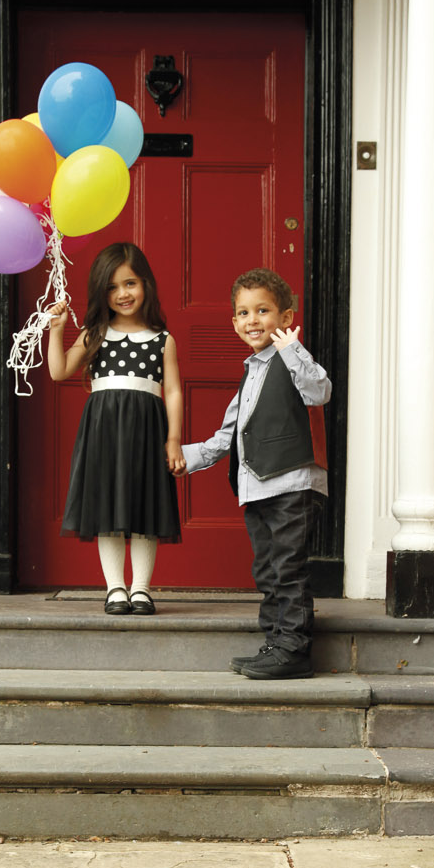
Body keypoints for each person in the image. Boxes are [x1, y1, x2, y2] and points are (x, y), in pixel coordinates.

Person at [176, 267, 330, 678]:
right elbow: (227, 435)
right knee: (267, 569)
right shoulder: (251, 372)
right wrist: (181, 458)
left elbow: (319, 391)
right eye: (244, 313)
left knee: (288, 568)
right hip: (258, 489)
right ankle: (275, 643)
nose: (253, 320)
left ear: (285, 316)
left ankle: (294, 651)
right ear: (234, 322)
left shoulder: (293, 357)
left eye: (263, 310)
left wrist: (291, 349)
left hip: (292, 484)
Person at [47, 242, 184, 615]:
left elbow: (173, 391)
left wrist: (173, 439)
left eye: (130, 283)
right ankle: (115, 589)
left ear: (146, 284)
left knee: (145, 508)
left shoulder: (162, 340)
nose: (122, 293)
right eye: (112, 287)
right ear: (100, 292)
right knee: (107, 509)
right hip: (103, 433)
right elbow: (59, 371)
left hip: (147, 433)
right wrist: (56, 331)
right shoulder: (95, 334)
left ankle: (141, 589)